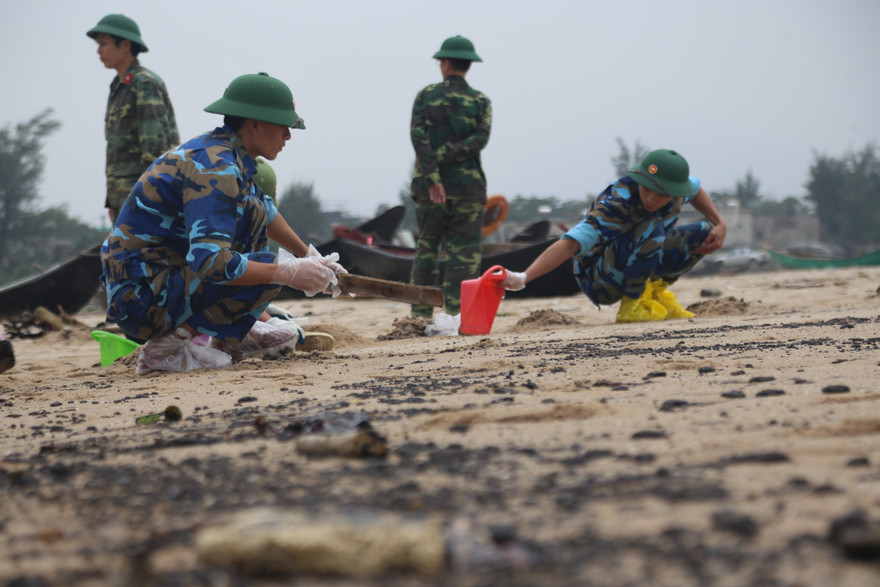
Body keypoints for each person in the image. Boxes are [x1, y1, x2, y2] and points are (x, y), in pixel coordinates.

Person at [100, 72, 344, 375]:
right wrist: (287, 273)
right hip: (140, 299)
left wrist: (310, 256)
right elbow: (210, 263)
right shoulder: (216, 168)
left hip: (157, 281)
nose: (288, 136)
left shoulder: (226, 154)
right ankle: (165, 350)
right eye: (283, 126)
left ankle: (228, 337)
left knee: (254, 217)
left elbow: (263, 211)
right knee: (268, 269)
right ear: (254, 124)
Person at [500, 149, 727, 322]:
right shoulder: (616, 204)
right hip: (601, 279)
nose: (650, 199)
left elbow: (695, 189)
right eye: (646, 188)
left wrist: (719, 223)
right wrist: (523, 278)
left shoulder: (678, 191)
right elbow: (569, 244)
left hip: (640, 260)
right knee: (651, 227)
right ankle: (632, 304)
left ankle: (653, 294)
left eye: (660, 194)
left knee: (703, 233)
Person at [409, 35, 492, 322]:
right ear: (468, 65)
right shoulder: (481, 101)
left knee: (427, 249)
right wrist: (449, 154)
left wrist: (432, 176)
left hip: (429, 190)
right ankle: (458, 315)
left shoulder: (425, 96)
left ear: (444, 63)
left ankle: (420, 314)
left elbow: (417, 137)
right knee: (464, 256)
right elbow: (480, 139)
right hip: (468, 189)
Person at [87, 14, 179, 223]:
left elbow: (155, 149)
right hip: (123, 198)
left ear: (125, 45)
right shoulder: (119, 86)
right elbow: (118, 153)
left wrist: (150, 199)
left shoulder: (144, 84)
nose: (99, 50)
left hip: (144, 198)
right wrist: (112, 201)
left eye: (104, 43)